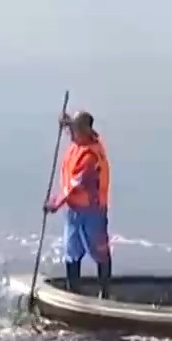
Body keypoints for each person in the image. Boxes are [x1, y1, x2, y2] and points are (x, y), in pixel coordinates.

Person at [44, 110, 112, 298]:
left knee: (99, 250)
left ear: (85, 131)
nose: (71, 134)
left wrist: (55, 204)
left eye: (75, 129)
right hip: (74, 210)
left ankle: (105, 292)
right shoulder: (78, 143)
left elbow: (75, 185)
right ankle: (73, 290)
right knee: (71, 250)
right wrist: (66, 122)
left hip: (92, 211)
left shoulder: (90, 156)